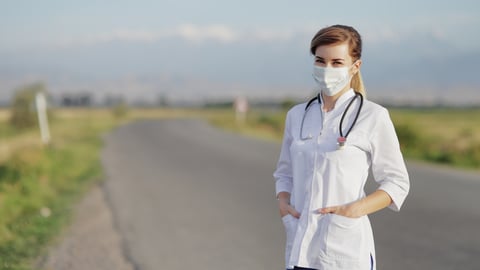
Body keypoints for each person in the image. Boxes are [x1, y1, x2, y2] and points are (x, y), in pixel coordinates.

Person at [273, 24, 410, 270]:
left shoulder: (372, 116)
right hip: (300, 247)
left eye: (337, 62)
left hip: (344, 250)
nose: (327, 69)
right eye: (320, 61)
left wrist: (355, 209)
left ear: (354, 67)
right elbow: (284, 172)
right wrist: (283, 203)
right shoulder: (297, 116)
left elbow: (397, 183)